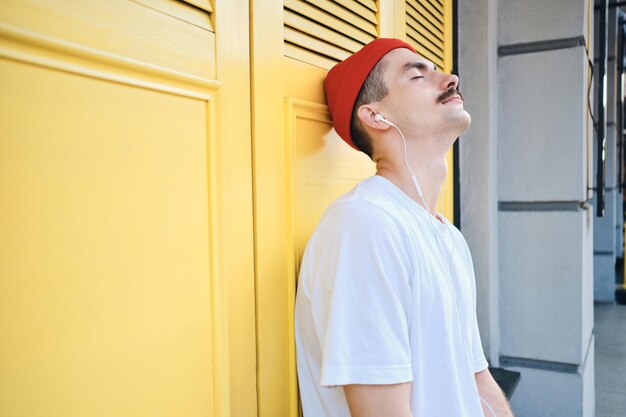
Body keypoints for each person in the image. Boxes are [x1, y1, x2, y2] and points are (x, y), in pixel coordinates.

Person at [294, 38, 515, 417]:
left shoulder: (449, 237)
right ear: (376, 117)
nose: (450, 79)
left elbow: (476, 380)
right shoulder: (363, 225)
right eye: (418, 75)